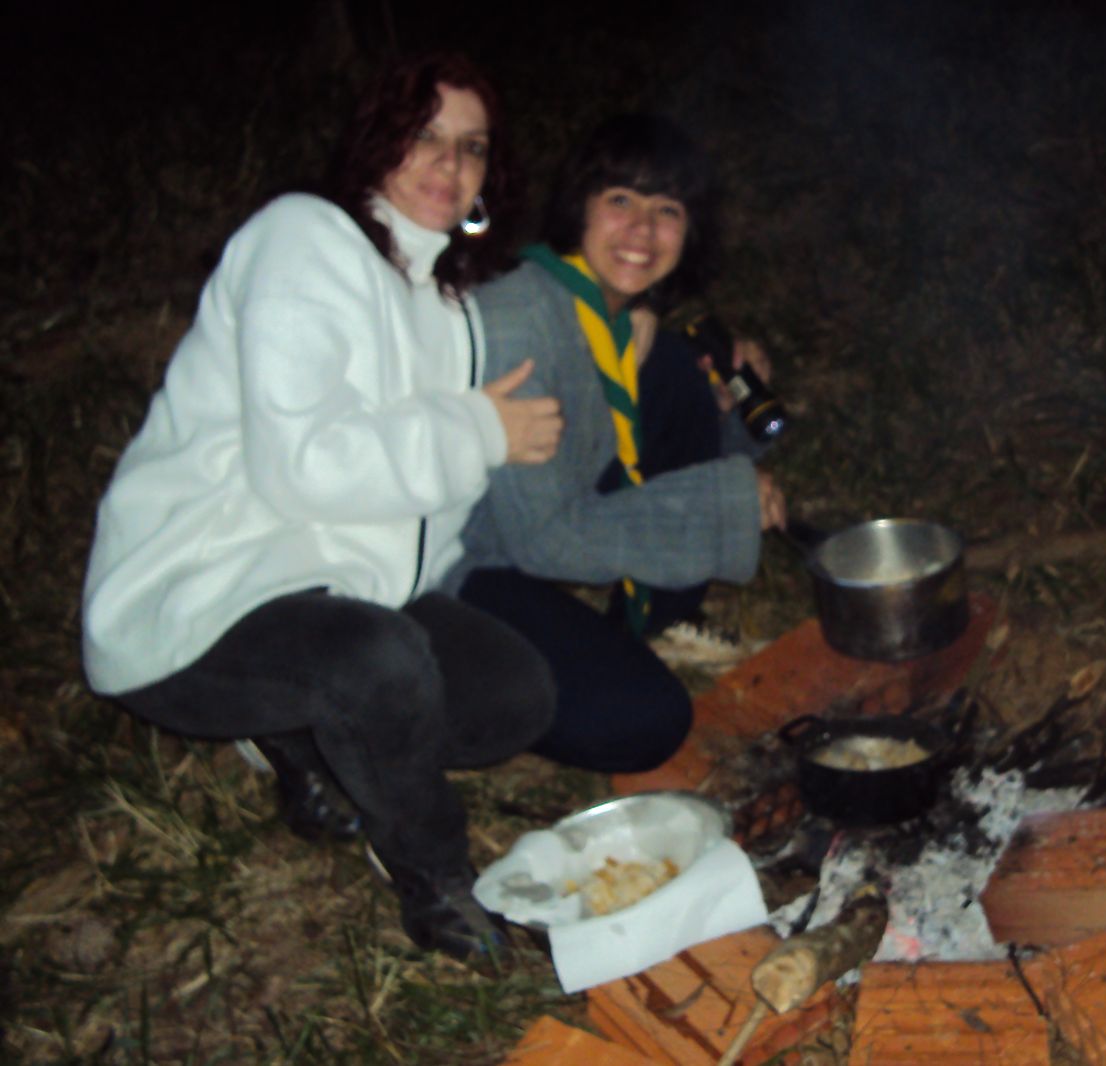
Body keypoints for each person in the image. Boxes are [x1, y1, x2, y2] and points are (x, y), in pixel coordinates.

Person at [79, 53, 564, 960]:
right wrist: (475, 431)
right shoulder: (301, 236)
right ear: (378, 142)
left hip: (336, 593)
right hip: (200, 596)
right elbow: (302, 467)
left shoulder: (446, 303)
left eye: (472, 147)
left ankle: (303, 739)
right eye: (425, 135)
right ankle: (432, 877)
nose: (449, 163)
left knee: (515, 695)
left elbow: (419, 506)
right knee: (379, 666)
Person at [445, 114, 786, 776]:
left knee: (678, 369)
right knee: (644, 718)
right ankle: (425, 689)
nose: (642, 230)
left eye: (668, 211)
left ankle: (660, 614)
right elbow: (545, 539)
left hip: (533, 530)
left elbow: (643, 451)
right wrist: (725, 504)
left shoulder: (606, 314)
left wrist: (729, 416)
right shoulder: (519, 321)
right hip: (464, 565)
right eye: (621, 200)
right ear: (580, 208)